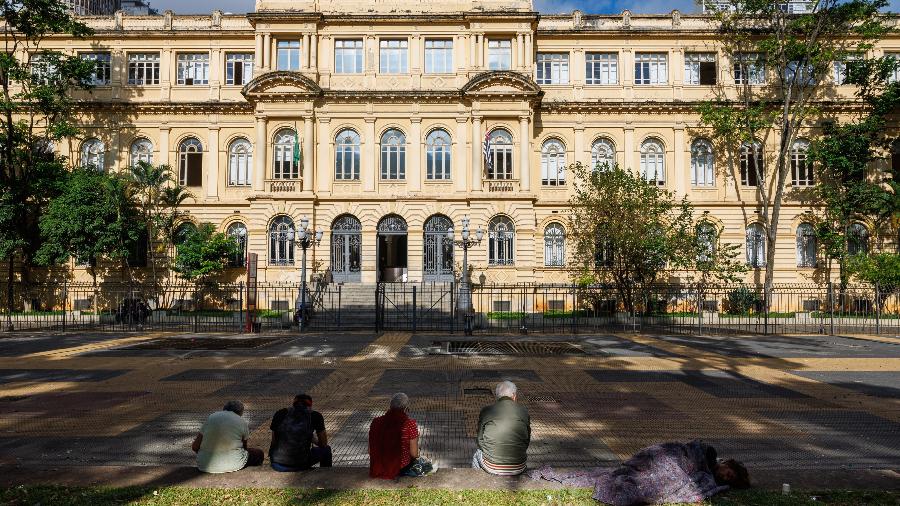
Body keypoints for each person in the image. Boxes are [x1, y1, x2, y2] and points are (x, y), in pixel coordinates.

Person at [529, 440, 750, 506]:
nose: (725, 477)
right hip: (673, 457)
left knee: (645, 484)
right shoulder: (708, 454)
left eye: (729, 479)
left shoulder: (709, 477)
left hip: (675, 467)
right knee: (642, 473)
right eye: (729, 473)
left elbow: (698, 484)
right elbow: (690, 450)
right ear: (727, 464)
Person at [368, 392, 435, 479]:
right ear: (406, 409)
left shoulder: (376, 422)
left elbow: (370, 451)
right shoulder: (409, 424)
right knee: (428, 465)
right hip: (400, 468)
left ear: (390, 407)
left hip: (378, 468)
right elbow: (414, 454)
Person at [472, 381, 531, 476]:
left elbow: (480, 439)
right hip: (518, 467)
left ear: (497, 397)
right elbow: (526, 441)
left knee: (477, 454)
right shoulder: (523, 411)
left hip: (492, 466)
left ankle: (475, 482)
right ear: (514, 396)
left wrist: (489, 451)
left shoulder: (487, 411)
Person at [192, 400, 264, 474]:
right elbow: (244, 448)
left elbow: (195, 447)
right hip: (234, 464)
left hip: (204, 465)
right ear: (240, 412)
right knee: (259, 453)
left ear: (224, 409)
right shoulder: (241, 421)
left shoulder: (212, 417)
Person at [269, 393, 333, 471]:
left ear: (293, 404)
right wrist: (312, 438)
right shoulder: (315, 416)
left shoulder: (280, 413)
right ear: (310, 406)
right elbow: (323, 444)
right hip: (301, 464)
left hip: (277, 463)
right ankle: (325, 475)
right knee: (326, 450)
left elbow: (274, 442)